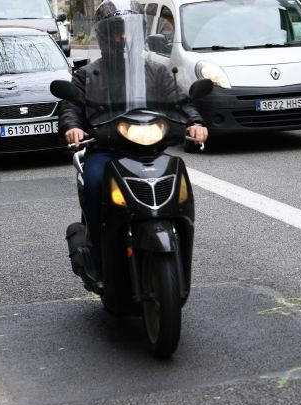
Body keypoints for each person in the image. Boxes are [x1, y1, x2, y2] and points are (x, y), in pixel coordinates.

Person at [59, 0, 208, 278]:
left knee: (178, 177)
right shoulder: (87, 75)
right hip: (106, 149)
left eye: (129, 31)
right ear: (104, 36)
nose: (123, 37)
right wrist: (73, 128)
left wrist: (195, 122)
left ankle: (177, 240)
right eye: (117, 31)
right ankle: (97, 253)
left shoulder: (156, 71)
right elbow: (71, 107)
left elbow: (179, 101)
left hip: (149, 148)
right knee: (92, 182)